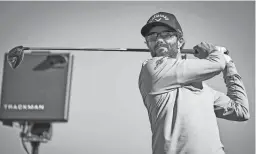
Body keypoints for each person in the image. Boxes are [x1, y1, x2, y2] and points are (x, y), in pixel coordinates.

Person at [138, 12, 250, 154]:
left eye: (166, 34)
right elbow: (216, 64)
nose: (159, 40)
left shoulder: (205, 89)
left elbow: (241, 111)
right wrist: (213, 51)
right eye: (152, 36)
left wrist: (229, 65)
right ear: (148, 43)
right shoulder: (152, 69)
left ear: (180, 41)